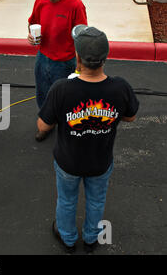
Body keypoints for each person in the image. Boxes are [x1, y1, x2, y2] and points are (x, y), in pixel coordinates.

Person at [37, 25, 139, 253]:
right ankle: (92, 238)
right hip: (100, 161)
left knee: (66, 200)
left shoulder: (62, 89)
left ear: (78, 57)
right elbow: (131, 117)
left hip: (68, 162)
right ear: (106, 57)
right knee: (96, 201)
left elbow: (43, 125)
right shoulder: (120, 87)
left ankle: (68, 238)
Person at [28, 0, 88, 141]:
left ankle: (66, 128)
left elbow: (82, 38)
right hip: (42, 57)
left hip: (65, 63)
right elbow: (32, 22)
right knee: (42, 93)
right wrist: (31, 36)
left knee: (65, 99)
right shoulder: (40, 1)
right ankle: (47, 123)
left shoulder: (75, 5)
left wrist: (80, 67)